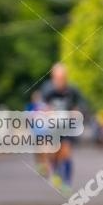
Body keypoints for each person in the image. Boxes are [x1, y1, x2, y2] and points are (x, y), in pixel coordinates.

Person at [39, 63, 86, 195]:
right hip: (52, 126)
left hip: (66, 126)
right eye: (58, 78)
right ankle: (55, 170)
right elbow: (42, 106)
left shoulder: (72, 91)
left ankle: (67, 183)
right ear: (53, 78)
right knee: (52, 153)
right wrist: (47, 112)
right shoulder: (48, 90)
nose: (60, 81)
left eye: (63, 78)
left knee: (66, 153)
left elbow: (81, 104)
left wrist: (76, 112)